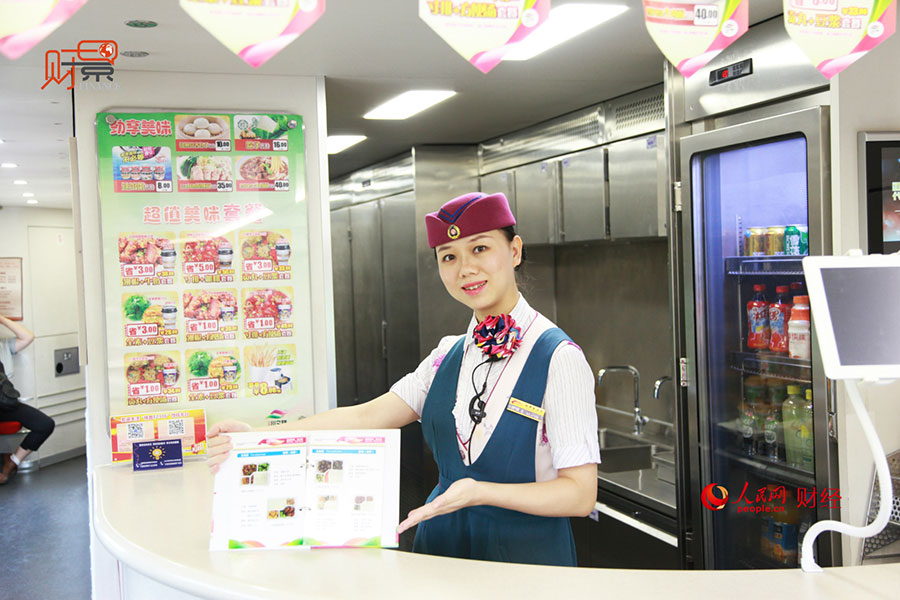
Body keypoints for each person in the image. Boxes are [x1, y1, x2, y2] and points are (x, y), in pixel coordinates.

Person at [208, 192, 600, 566]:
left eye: (480, 248)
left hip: (526, 562)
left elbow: (580, 495)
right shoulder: (447, 355)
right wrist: (256, 436)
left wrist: (481, 493)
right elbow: (366, 417)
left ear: (514, 251)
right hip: (441, 551)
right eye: (449, 257)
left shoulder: (558, 358)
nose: (465, 269)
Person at [0, 314, 55, 485]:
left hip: (5, 403)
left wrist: (2, 319)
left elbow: (28, 337)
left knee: (45, 424)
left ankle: (12, 463)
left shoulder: (3, 346)